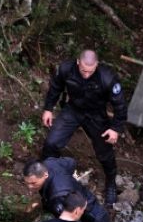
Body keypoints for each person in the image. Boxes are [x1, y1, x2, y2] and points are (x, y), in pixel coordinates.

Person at [41, 50, 127, 204]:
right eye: (83, 70)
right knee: (51, 143)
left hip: (96, 115)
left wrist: (116, 128)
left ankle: (111, 182)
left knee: (104, 152)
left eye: (90, 71)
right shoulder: (66, 69)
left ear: (96, 65)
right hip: (73, 109)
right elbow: (55, 87)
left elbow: (120, 105)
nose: (86, 75)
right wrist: (48, 108)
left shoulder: (107, 78)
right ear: (78, 62)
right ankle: (47, 173)